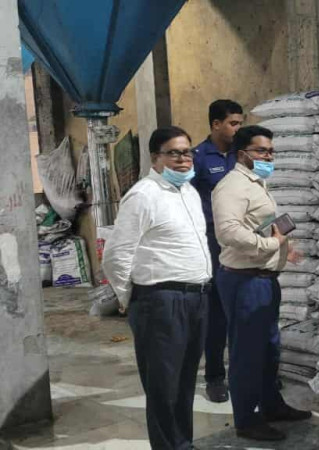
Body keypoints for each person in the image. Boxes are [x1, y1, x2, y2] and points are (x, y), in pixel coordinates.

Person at [103, 126, 212, 450]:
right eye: (174, 153)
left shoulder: (189, 192)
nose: (183, 159)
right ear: (155, 158)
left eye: (187, 152)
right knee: (163, 387)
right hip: (161, 301)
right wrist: (131, 298)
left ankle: (183, 444)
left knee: (185, 382)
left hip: (196, 297)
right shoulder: (143, 195)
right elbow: (116, 255)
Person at [212, 125, 310, 441]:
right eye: (262, 151)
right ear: (243, 154)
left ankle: (271, 404)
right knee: (247, 353)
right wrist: (270, 245)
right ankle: (247, 419)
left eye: (271, 151)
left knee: (268, 349)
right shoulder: (231, 187)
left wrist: (284, 248)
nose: (268, 156)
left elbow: (260, 224)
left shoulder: (256, 183)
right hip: (244, 281)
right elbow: (228, 231)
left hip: (264, 279)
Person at [191, 99, 244, 403]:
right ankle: (214, 377)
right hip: (212, 239)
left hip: (242, 237)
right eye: (233, 123)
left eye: (240, 123)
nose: (238, 128)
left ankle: (245, 372)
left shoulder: (242, 154)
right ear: (215, 124)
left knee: (242, 306)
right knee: (216, 310)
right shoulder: (199, 158)